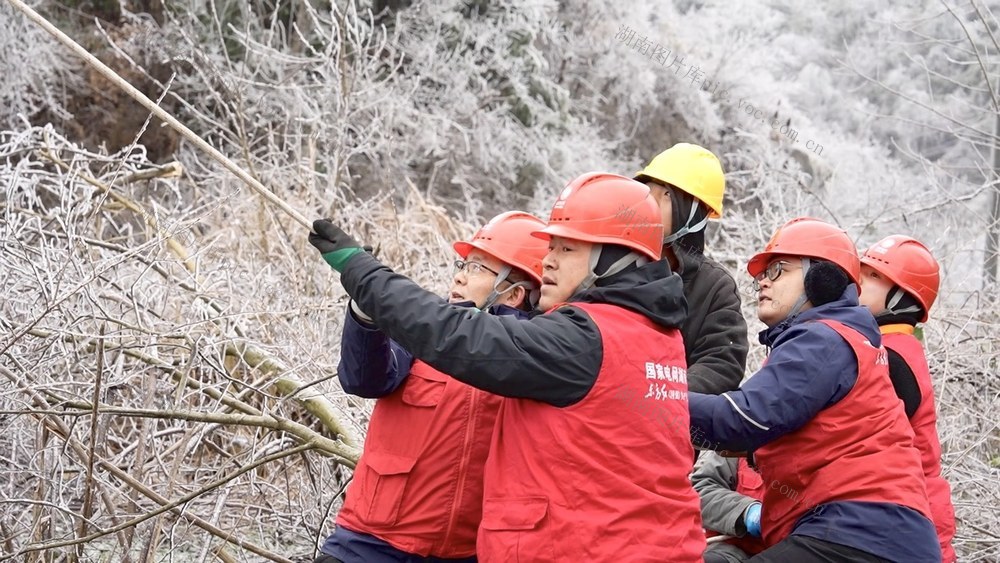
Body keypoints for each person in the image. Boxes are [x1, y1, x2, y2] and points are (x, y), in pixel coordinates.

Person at [309, 172, 705, 561]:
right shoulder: (656, 338)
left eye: (567, 250)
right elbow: (372, 372)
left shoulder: (576, 339)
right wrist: (368, 309)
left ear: (617, 257)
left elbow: (458, 336)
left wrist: (366, 275)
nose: (548, 261)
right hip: (375, 542)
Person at [687, 217, 941, 562]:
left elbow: (744, 419)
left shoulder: (822, 338)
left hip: (858, 533)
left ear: (823, 280)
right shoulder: (845, 340)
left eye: (778, 269)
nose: (762, 281)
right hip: (871, 534)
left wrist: (654, 395)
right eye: (761, 274)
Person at [314, 211, 549, 563]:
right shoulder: (425, 325)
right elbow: (362, 378)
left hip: (470, 551)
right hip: (371, 542)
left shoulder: (537, 353)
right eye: (462, 264)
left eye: (475, 269)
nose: (458, 276)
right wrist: (366, 312)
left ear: (514, 293)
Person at [859, 235, 957, 563]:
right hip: (911, 512)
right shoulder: (893, 349)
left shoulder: (892, 358)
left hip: (907, 518)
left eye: (873, 276)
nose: (858, 279)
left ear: (903, 296)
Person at [634, 143, 748, 394]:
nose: (648, 204)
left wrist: (662, 395)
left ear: (692, 212)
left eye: (664, 195)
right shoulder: (613, 262)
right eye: (645, 191)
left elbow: (721, 363)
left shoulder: (715, 287)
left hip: (666, 423)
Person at [691, 451, 766, 563]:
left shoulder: (800, 458)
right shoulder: (738, 441)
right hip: (731, 553)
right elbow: (700, 490)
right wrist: (745, 511)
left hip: (789, 552)